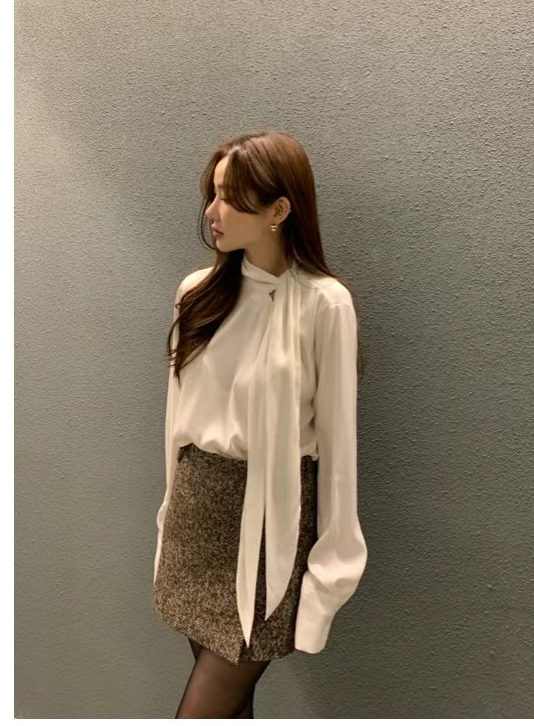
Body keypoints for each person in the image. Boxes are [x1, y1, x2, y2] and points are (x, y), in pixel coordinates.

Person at [151, 131, 368, 718]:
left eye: (230, 198)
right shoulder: (197, 294)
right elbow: (177, 426)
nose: (211, 212)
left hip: (270, 530)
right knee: (231, 709)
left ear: (279, 210)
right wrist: (168, 520)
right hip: (196, 518)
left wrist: (328, 578)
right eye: (213, 193)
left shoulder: (325, 304)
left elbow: (338, 456)